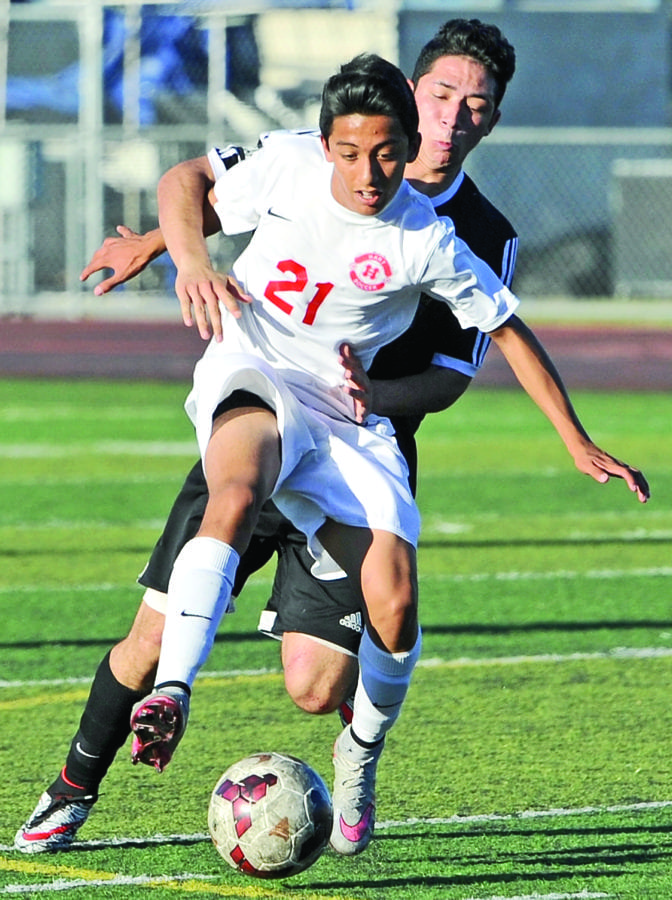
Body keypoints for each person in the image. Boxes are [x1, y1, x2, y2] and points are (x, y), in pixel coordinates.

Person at [14, 23, 648, 859]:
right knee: (168, 604)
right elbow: (197, 185)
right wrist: (179, 251)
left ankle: (359, 754)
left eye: (477, 104)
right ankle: (97, 764)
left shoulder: (448, 235)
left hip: (354, 431)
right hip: (263, 387)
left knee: (333, 669)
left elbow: (481, 353)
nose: (455, 117)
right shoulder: (302, 159)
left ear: (483, 122)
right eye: (443, 94)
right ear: (405, 99)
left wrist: (571, 437)